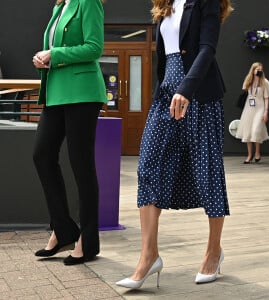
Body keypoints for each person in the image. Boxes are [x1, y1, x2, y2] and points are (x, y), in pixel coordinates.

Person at [116, 0, 233, 289]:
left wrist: (186, 89)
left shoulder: (206, 2)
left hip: (199, 93)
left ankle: (213, 252)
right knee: (148, 166)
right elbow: (166, 55)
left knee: (207, 170)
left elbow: (207, 48)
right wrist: (167, 89)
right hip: (166, 92)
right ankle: (149, 255)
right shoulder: (165, 4)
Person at [32, 0, 107, 265]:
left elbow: (94, 48)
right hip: (57, 93)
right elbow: (57, 49)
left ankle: (87, 241)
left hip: (83, 93)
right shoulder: (59, 7)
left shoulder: (88, 3)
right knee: (41, 155)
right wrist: (44, 59)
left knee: (81, 165)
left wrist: (56, 54)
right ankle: (63, 230)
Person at [235, 62, 269, 164]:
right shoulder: (248, 80)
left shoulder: (265, 82)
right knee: (247, 131)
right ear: (253, 70)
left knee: (256, 129)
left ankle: (257, 152)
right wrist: (251, 81)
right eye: (257, 69)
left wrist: (266, 111)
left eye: (260, 69)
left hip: (260, 108)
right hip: (249, 107)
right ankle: (249, 155)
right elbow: (244, 91)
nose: (259, 71)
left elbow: (266, 98)